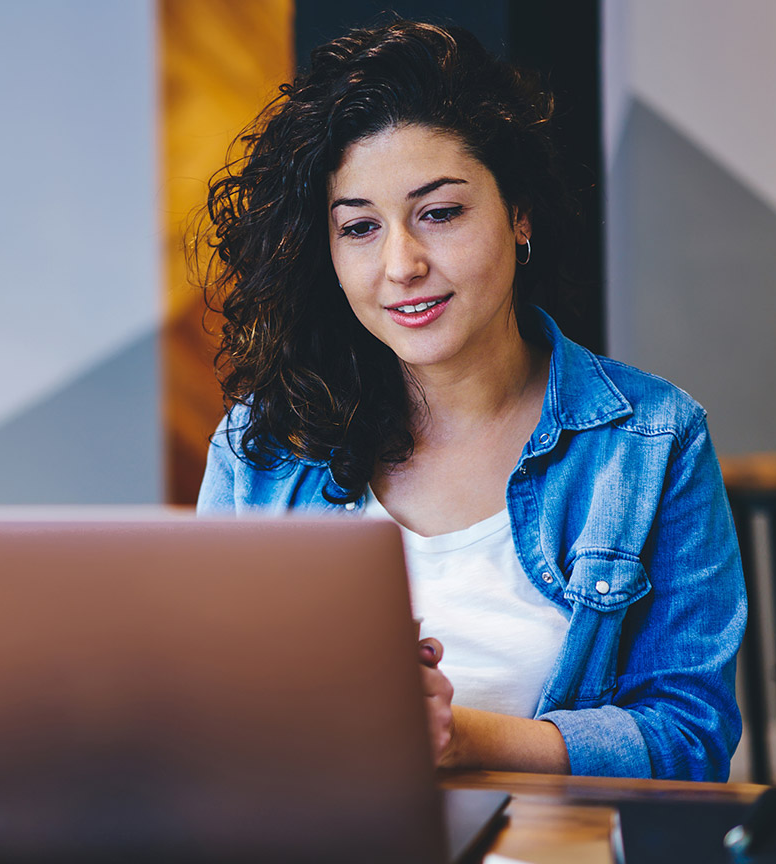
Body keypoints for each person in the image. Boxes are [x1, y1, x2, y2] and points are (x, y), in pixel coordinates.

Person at [195, 20, 746, 782]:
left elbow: (691, 737)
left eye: (439, 213)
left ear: (518, 216)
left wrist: (463, 739)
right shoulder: (260, 447)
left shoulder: (653, 440)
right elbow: (209, 713)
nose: (401, 265)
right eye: (359, 227)